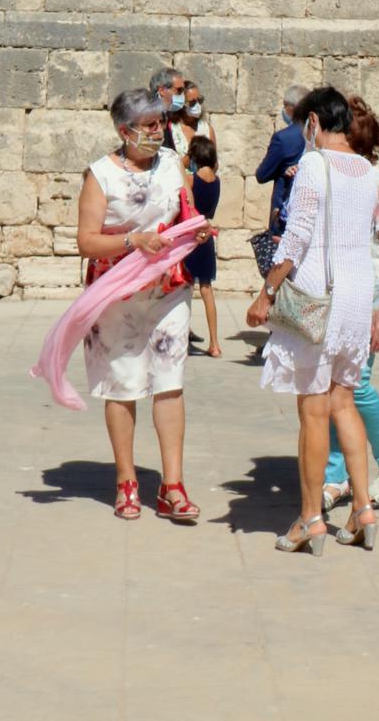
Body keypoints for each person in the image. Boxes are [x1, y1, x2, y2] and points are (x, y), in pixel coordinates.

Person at [245, 87, 379, 556]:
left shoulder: (315, 164)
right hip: (357, 299)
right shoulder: (370, 170)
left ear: (313, 121)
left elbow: (296, 236)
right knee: (343, 402)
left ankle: (311, 517)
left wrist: (267, 291)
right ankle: (362, 509)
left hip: (318, 296)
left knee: (313, 409)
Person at [74, 87, 212, 522]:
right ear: (124, 131)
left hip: (169, 287)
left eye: (161, 123)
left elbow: (184, 213)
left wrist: (197, 230)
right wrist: (132, 240)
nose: (159, 131)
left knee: (169, 381)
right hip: (119, 293)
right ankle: (126, 481)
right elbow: (87, 241)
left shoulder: (172, 163)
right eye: (150, 125)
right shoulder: (101, 175)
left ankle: (172, 485)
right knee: (124, 383)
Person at [322, 96, 379, 512]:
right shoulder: (329, 175)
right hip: (335, 291)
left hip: (369, 290)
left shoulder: (374, 180)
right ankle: (336, 474)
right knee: (328, 385)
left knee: (355, 385)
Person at [252, 84, 308, 271]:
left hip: (284, 212)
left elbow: (262, 174)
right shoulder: (318, 136)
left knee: (280, 267)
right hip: (309, 211)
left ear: (292, 108)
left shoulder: (283, 138)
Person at [184, 128, 221, 356]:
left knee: (184, 290)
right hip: (206, 237)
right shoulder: (217, 182)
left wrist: (185, 158)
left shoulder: (190, 178)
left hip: (190, 236)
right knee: (207, 290)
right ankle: (215, 343)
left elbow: (178, 166)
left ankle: (181, 339)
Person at [154, 69, 190, 160]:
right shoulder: (152, 116)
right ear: (161, 90)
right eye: (179, 90)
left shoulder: (166, 114)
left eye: (183, 90)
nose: (182, 95)